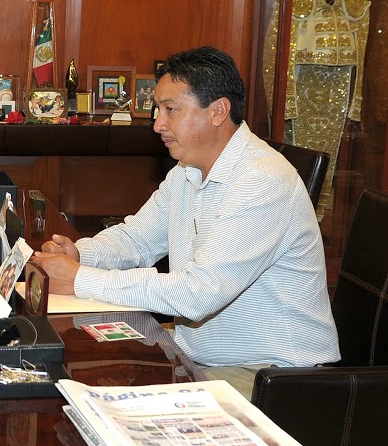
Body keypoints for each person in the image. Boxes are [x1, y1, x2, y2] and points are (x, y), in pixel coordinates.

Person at [31, 46, 339, 398]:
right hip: (201, 354)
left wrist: (79, 279)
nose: (158, 124)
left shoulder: (262, 181)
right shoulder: (187, 169)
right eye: (158, 110)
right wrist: (80, 255)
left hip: (274, 374)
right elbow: (137, 239)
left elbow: (197, 294)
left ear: (218, 111)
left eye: (171, 110)